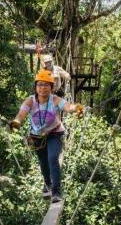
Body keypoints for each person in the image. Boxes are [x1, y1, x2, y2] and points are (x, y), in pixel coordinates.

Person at [9, 69, 84, 203]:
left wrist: (75, 108)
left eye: (46, 85)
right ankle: (47, 184)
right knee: (43, 163)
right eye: (40, 85)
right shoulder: (30, 101)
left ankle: (56, 192)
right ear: (36, 87)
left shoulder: (55, 100)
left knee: (52, 158)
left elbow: (67, 106)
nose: (42, 88)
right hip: (37, 137)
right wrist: (17, 122)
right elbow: (22, 114)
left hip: (55, 133)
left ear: (51, 87)